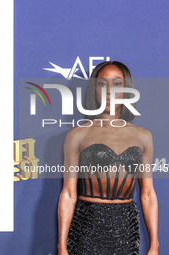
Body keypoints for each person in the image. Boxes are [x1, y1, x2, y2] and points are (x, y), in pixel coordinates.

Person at [57, 61, 159, 255]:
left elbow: (148, 194)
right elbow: (69, 194)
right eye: (102, 83)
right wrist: (62, 247)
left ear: (127, 88)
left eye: (117, 83)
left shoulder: (143, 136)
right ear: (94, 89)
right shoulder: (77, 135)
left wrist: (154, 245)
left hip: (125, 230)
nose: (109, 90)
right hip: (85, 229)